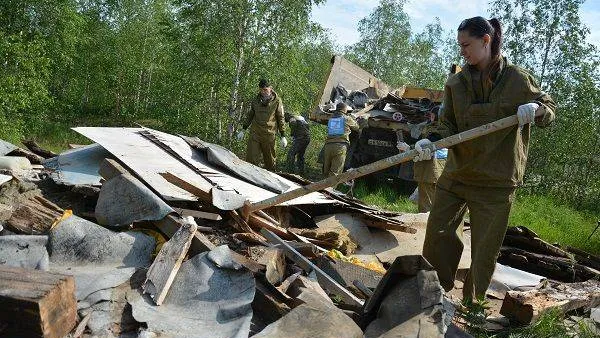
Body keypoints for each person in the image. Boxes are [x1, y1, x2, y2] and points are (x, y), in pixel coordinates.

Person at [414, 17, 556, 301]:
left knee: (484, 251)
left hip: (497, 180)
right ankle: (433, 296)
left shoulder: (517, 79)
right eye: (460, 46)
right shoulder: (456, 84)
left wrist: (537, 109)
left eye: (466, 44)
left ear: (486, 40)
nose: (462, 51)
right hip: (457, 174)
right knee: (437, 236)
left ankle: (472, 307)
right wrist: (429, 139)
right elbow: (447, 125)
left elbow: (550, 109)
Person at [398, 106, 448, 213]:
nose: (430, 118)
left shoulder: (434, 130)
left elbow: (426, 148)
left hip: (430, 170)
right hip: (441, 169)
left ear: (435, 116)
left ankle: (426, 226)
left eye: (432, 115)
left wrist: (407, 148)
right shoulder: (446, 130)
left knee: (426, 205)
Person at [237, 79, 287, 171]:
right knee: (251, 158)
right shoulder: (256, 100)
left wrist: (283, 135)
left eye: (265, 90)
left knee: (270, 162)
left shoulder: (277, 101)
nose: (263, 92)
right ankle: (249, 179)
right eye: (261, 90)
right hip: (255, 133)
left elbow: (281, 118)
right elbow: (250, 115)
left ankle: (269, 181)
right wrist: (243, 130)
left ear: (270, 89)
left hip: (269, 134)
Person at [322, 102, 359, 177]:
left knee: (326, 170)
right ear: (344, 110)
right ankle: (329, 188)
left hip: (328, 146)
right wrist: (353, 118)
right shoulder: (347, 118)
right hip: (340, 147)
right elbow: (357, 127)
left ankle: (319, 186)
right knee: (335, 172)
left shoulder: (331, 118)